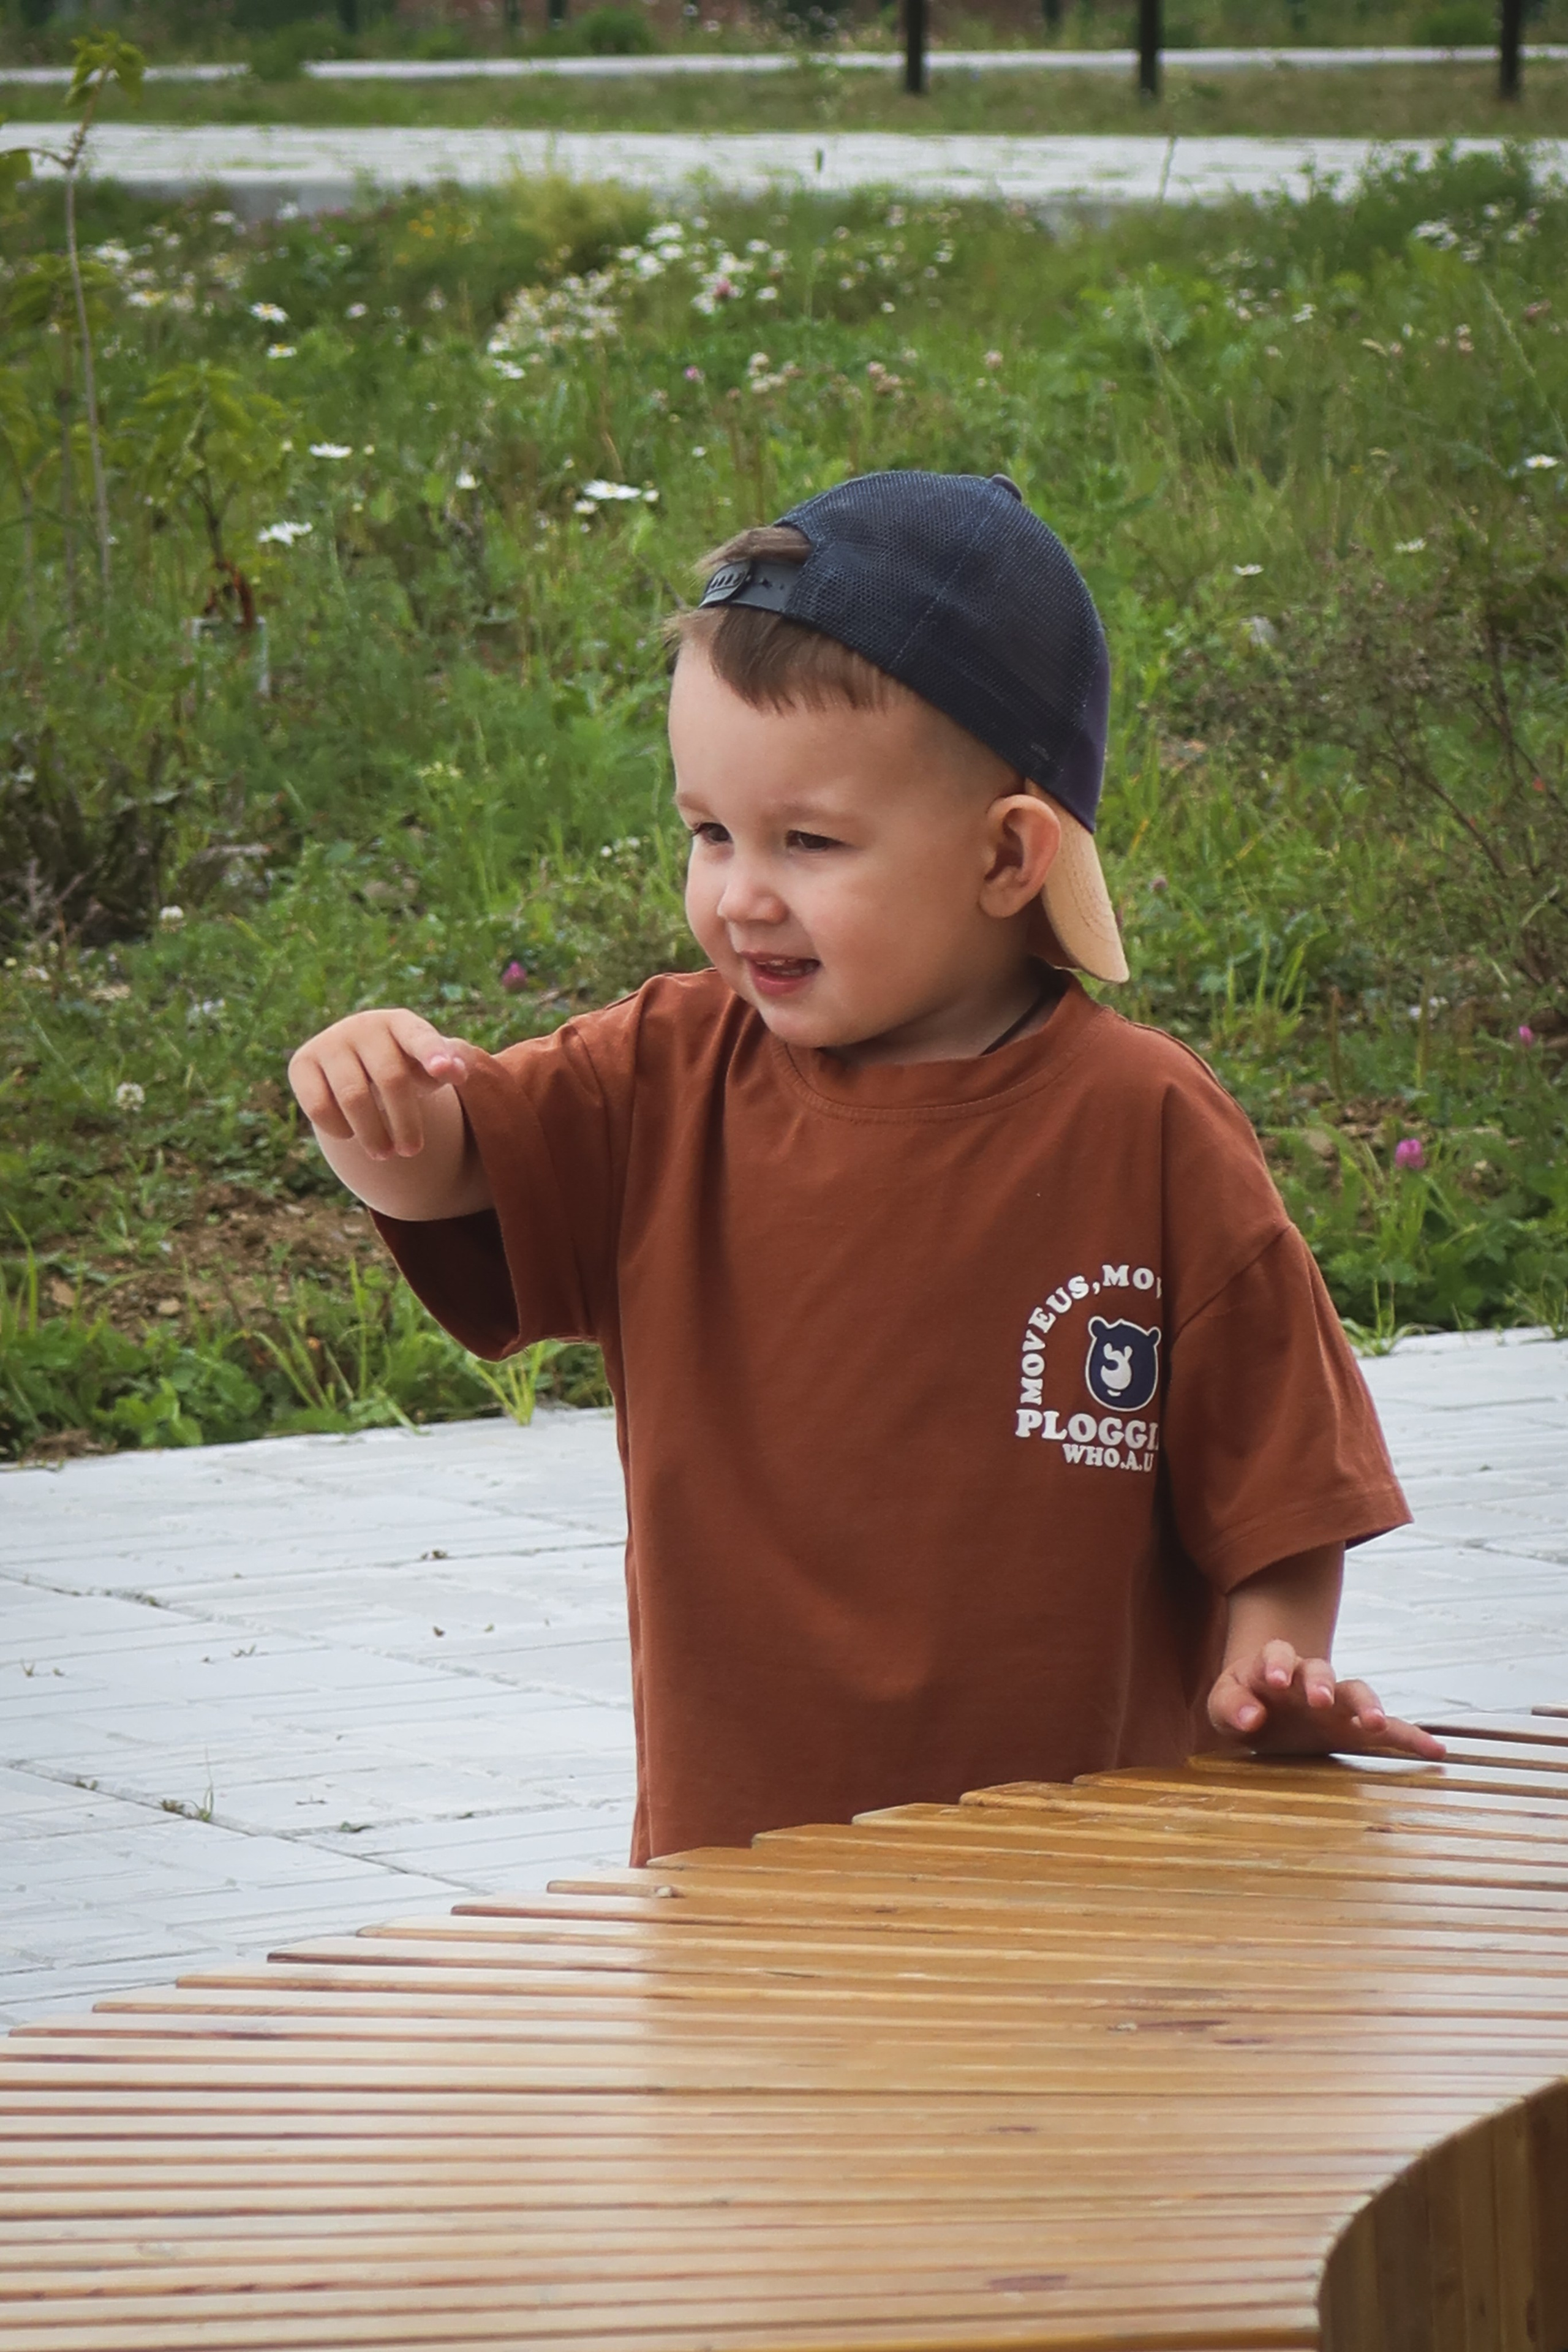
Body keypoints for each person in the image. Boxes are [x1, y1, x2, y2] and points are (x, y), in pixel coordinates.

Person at [288, 469, 1442, 1868]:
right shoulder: (665, 1071)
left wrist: (1269, 1671)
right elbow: (459, 1174)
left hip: (1094, 1883)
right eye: (708, 832)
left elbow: (1276, 1485)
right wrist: (379, 1120)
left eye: (807, 842)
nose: (739, 894)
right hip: (744, 1880)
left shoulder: (1141, 1124)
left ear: (1008, 855)